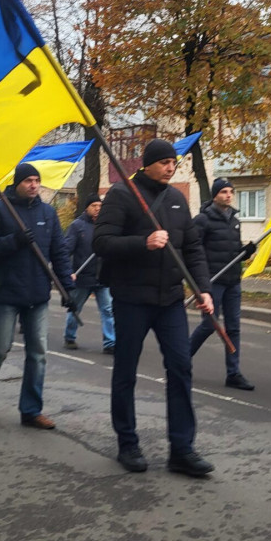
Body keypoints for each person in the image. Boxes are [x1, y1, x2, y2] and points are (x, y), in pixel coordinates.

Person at [93, 138, 216, 477]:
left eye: (173, 163)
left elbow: (192, 248)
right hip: (131, 298)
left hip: (170, 300)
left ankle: (182, 449)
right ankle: (127, 443)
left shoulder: (177, 199)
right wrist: (142, 243)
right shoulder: (122, 195)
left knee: (180, 368)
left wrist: (203, 288)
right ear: (146, 164)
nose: (170, 167)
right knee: (126, 370)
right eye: (164, 162)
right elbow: (101, 242)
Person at [0, 164, 74, 428]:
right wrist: (13, 241)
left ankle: (30, 410)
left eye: (37, 180)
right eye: (28, 180)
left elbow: (59, 252)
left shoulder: (47, 213)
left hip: (38, 294)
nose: (34, 185)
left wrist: (68, 288)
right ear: (17, 182)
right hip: (7, 292)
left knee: (38, 352)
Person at [189, 178, 257, 390]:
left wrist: (245, 253)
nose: (228, 195)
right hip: (212, 282)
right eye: (224, 192)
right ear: (215, 195)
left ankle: (233, 373)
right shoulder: (203, 220)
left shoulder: (234, 220)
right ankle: (181, 360)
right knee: (209, 325)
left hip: (232, 281)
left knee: (234, 327)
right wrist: (199, 284)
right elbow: (193, 251)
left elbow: (233, 251)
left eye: (231, 192)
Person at [62, 193, 116, 354]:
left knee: (107, 309)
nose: (98, 209)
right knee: (75, 308)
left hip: (102, 276)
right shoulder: (77, 226)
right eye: (94, 206)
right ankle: (69, 336)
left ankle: (110, 342)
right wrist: (68, 272)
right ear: (87, 207)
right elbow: (66, 250)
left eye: (100, 206)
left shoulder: (105, 227)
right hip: (82, 276)